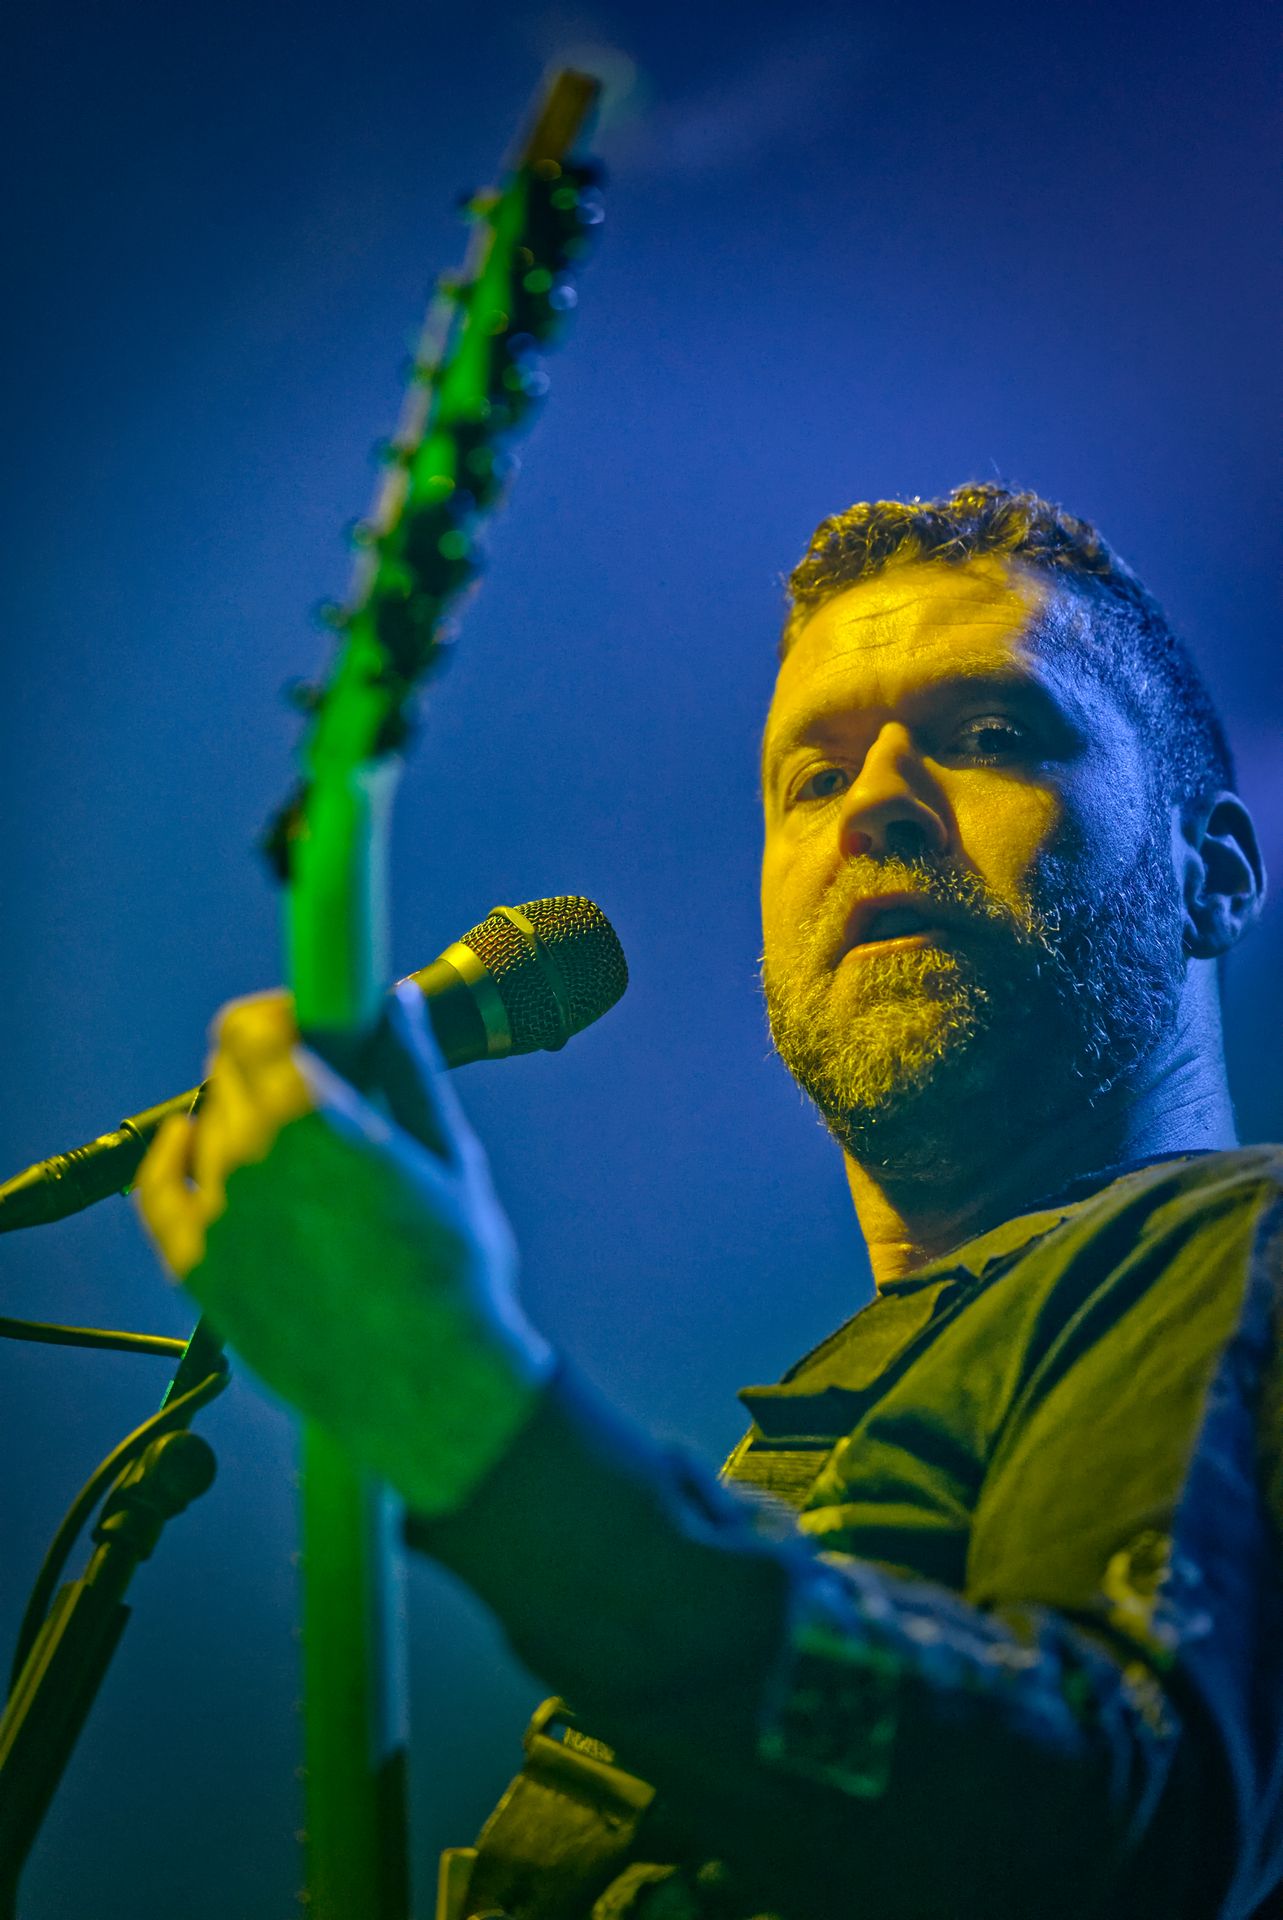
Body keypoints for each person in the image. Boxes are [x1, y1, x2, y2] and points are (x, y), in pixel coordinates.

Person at [137, 483, 1281, 1919]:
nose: (872, 804)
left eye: (991, 736)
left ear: (1213, 871)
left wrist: (476, 1420)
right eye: (810, 777)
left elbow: (1109, 1822)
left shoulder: (1241, 1253)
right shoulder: (833, 1431)